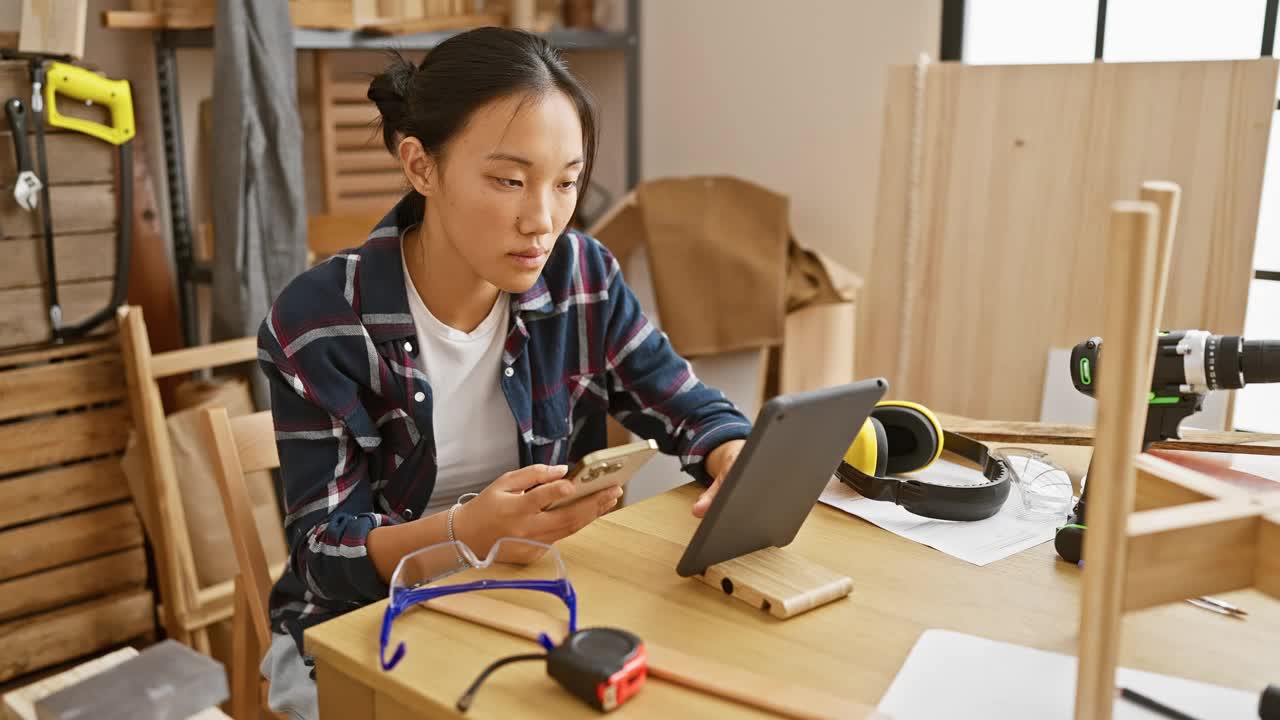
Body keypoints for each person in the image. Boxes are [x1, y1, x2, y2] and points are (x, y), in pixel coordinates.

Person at [255, 27, 752, 718]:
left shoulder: (583, 277)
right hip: (362, 628)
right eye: (509, 180)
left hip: (528, 601)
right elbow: (325, 560)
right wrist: (465, 534)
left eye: (567, 183)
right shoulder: (320, 321)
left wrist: (731, 453)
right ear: (420, 166)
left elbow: (685, 405)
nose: (542, 220)